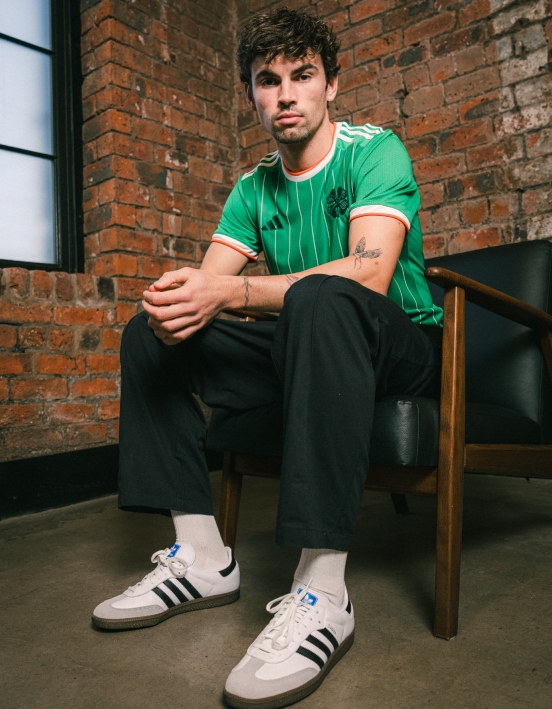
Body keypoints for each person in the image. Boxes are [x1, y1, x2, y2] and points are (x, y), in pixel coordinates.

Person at [92, 7, 443, 708]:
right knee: (153, 334)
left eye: (301, 75)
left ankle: (323, 592)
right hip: (303, 344)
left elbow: (369, 274)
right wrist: (180, 300)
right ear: (251, 95)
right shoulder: (253, 188)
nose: (285, 94)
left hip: (399, 344)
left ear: (331, 84)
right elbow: (207, 289)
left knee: (324, 297)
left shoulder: (374, 150)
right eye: (267, 80)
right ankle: (201, 556)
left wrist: (232, 291)